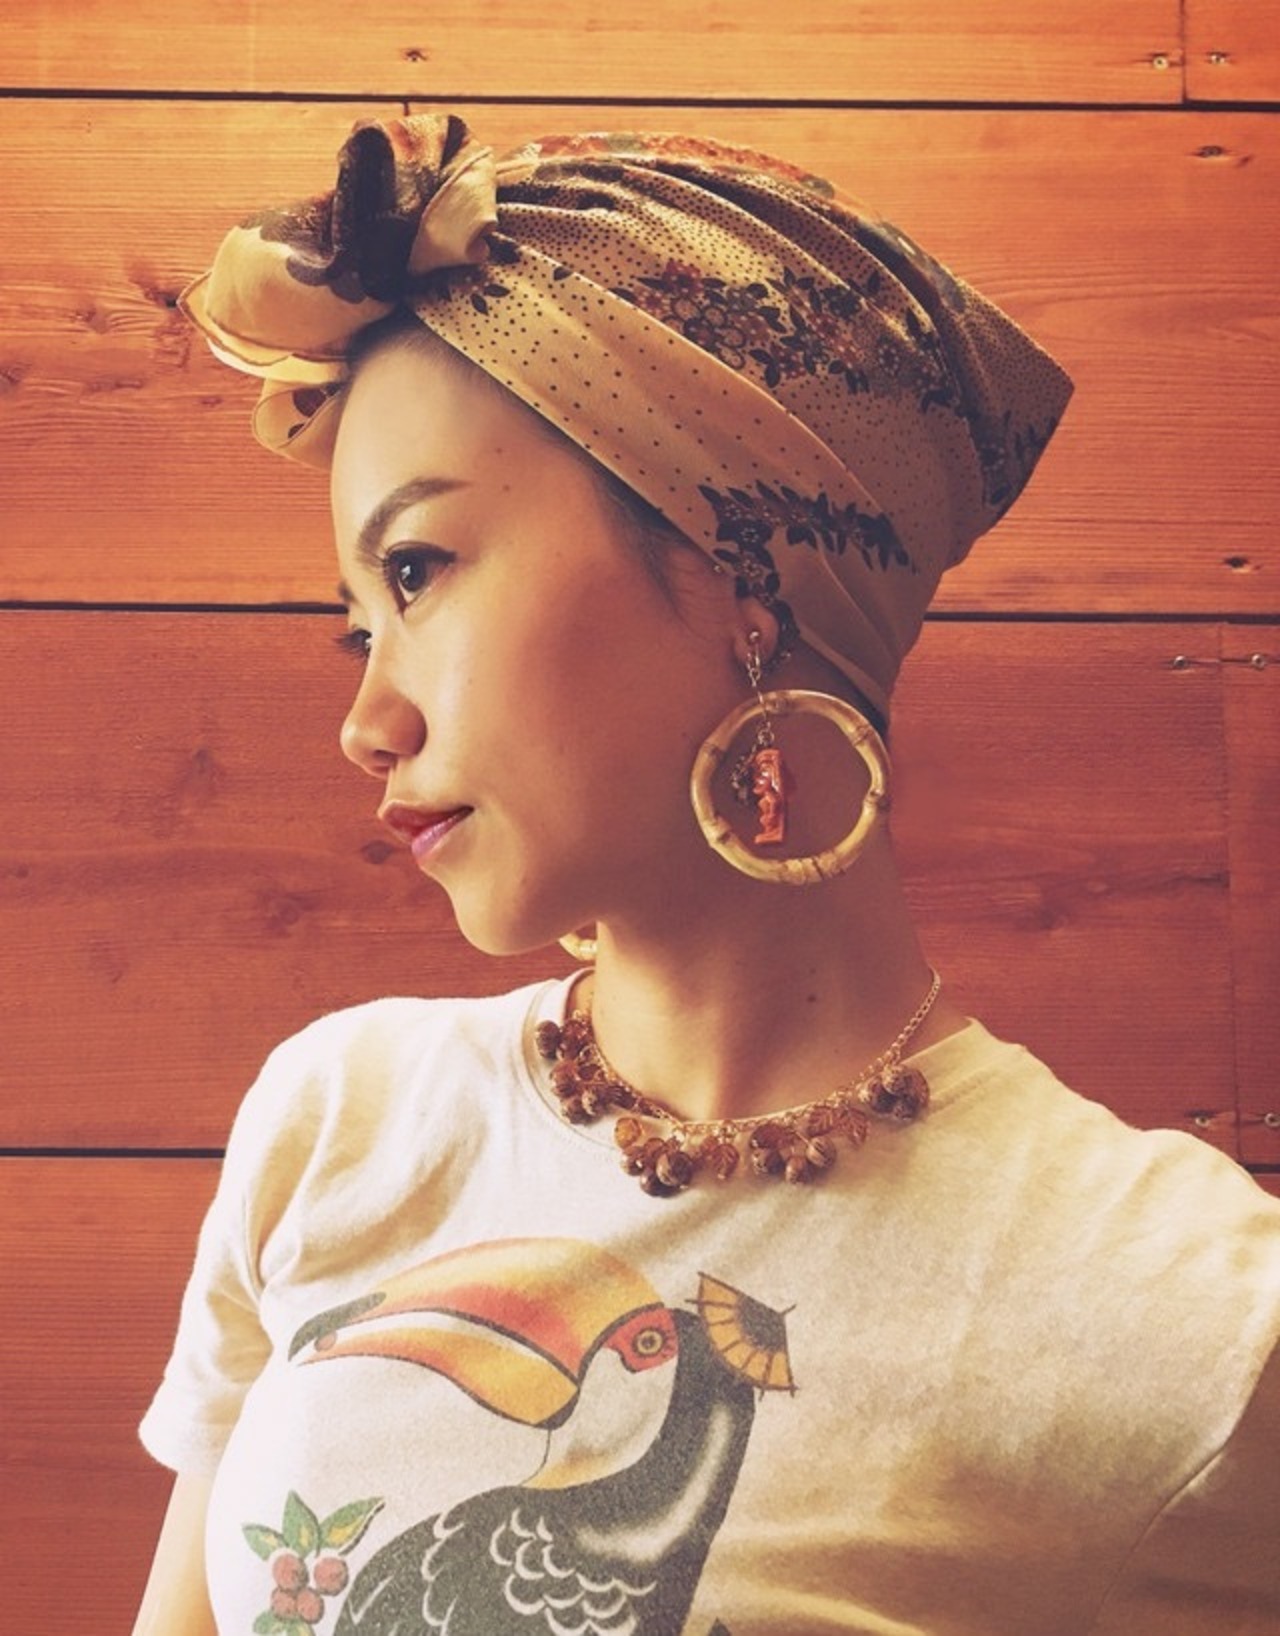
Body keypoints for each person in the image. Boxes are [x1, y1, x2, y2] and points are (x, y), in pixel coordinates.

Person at [133, 114, 1280, 1636]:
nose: (367, 721)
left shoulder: (1190, 1309)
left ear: (747, 572)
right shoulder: (338, 1119)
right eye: (359, 623)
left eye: (418, 572)